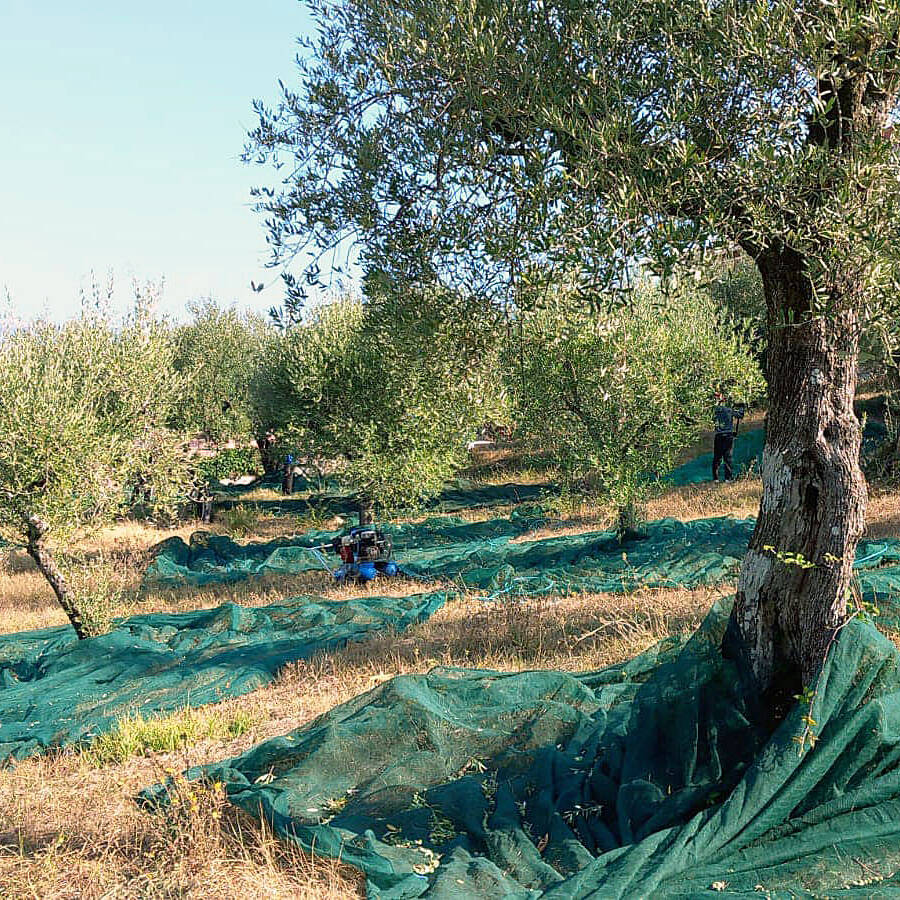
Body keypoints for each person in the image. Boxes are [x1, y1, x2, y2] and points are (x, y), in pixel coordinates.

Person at [712, 391, 744, 483]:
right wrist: (741, 407)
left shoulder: (714, 411)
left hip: (719, 435)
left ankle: (716, 478)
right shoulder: (728, 410)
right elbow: (740, 415)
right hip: (728, 435)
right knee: (727, 457)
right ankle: (728, 478)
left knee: (717, 457)